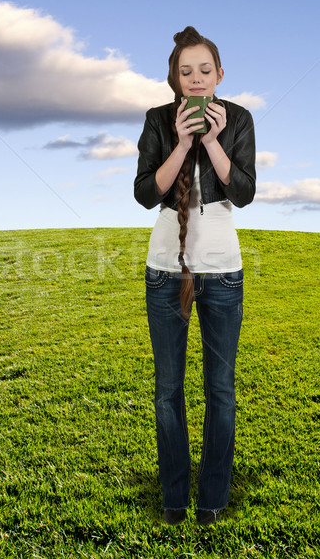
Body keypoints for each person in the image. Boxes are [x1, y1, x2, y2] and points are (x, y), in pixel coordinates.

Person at [134, 26, 256, 526]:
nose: (197, 79)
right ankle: (173, 498)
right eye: (186, 72)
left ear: (220, 74)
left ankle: (212, 499)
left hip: (223, 272)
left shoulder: (241, 119)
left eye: (205, 70)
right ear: (175, 80)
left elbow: (244, 192)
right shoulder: (158, 121)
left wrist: (217, 138)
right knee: (168, 391)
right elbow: (145, 193)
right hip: (166, 270)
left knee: (220, 390)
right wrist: (183, 143)